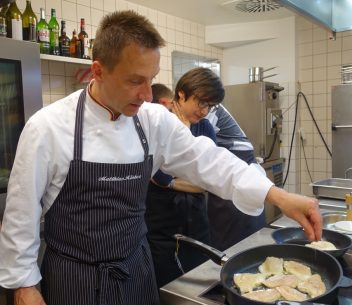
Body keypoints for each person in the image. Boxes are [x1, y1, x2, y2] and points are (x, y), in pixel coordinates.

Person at [0, 10, 321, 305]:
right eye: (134, 80)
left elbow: (209, 161)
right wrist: (25, 286)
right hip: (76, 278)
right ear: (97, 71)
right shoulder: (48, 127)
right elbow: (21, 215)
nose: (147, 95)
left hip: (138, 270)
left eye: (151, 79)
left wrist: (278, 195)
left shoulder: (152, 121)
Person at [146, 77, 220, 287]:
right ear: (181, 94)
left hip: (196, 220)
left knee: (201, 279)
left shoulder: (205, 127)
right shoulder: (159, 125)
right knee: (167, 285)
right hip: (160, 223)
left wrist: (170, 181)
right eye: (201, 103)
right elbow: (155, 174)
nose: (205, 111)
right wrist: (176, 180)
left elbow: (209, 179)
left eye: (210, 105)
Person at [206, 104, 268, 250]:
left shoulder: (206, 109)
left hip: (236, 178)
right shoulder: (206, 107)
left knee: (236, 246)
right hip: (236, 177)